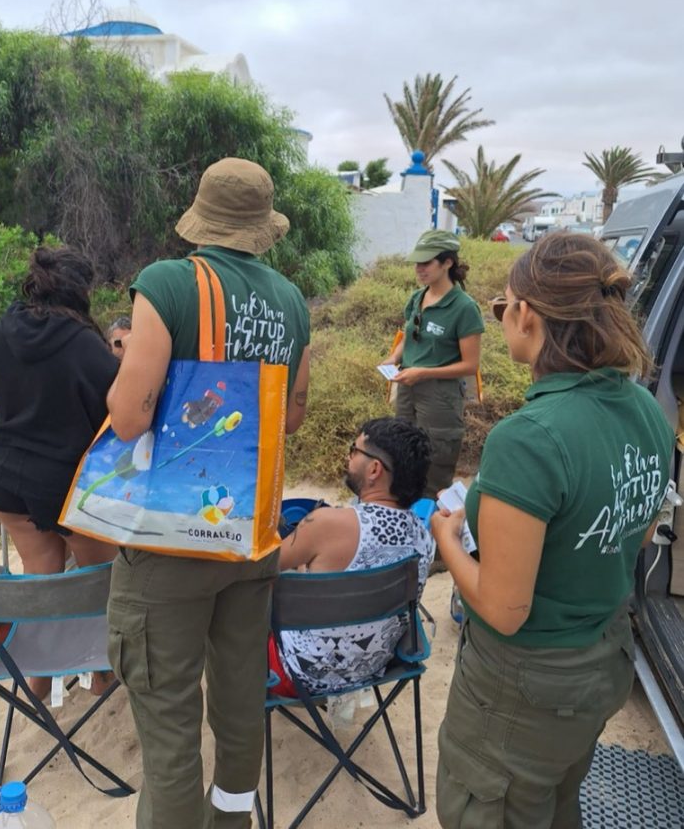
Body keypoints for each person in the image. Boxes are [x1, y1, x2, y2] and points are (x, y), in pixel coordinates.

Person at [431, 232, 674, 829]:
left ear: (527, 314)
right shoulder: (648, 410)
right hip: (601, 663)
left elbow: (504, 609)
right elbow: (641, 535)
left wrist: (447, 539)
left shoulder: (529, 438)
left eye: (501, 305)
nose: (500, 317)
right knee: (558, 803)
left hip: (525, 687)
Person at [106, 158, 311, 829]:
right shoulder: (290, 300)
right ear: (262, 225)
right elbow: (293, 415)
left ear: (201, 217)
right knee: (239, 700)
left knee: (169, 717)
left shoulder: (168, 283)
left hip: (171, 541)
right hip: (250, 534)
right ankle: (230, 820)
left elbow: (130, 417)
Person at [0, 247, 120, 694]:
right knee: (102, 583)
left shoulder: (3, 331)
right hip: (65, 484)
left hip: (3, 475)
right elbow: (114, 414)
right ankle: (101, 677)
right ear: (80, 291)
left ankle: (37, 683)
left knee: (41, 575)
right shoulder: (84, 343)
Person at [273, 417, 434, 695]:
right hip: (372, 669)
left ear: (374, 469)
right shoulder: (424, 537)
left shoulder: (326, 524)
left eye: (354, 450)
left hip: (298, 674)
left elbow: (266, 564)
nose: (349, 457)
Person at [382, 229, 484, 498]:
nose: (419, 269)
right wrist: (394, 358)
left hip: (440, 397)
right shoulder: (417, 298)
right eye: (417, 262)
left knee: (434, 466)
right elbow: (409, 337)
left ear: (447, 262)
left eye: (426, 262)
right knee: (403, 453)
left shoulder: (464, 308)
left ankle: (432, 519)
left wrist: (424, 373)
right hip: (408, 387)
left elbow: (470, 365)